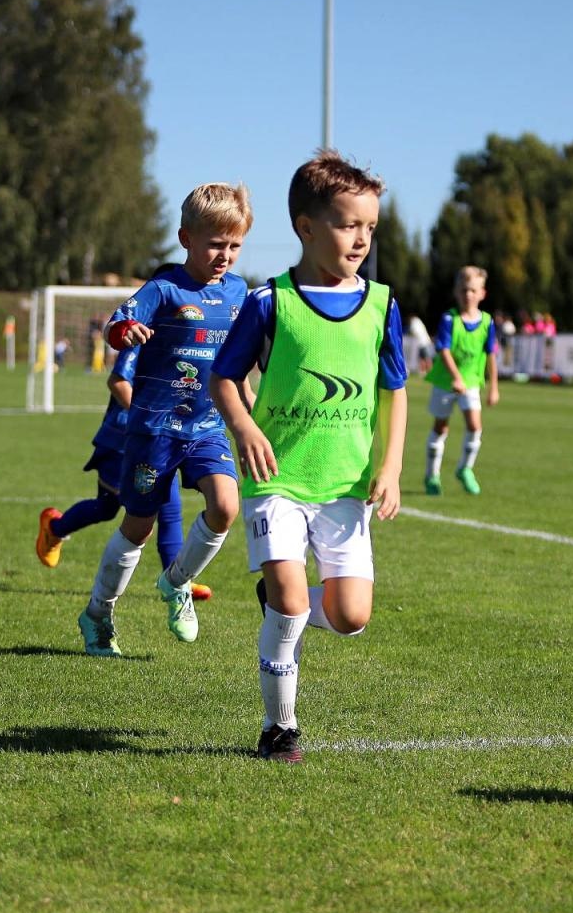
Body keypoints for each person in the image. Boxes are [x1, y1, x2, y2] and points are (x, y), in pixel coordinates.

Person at [209, 150, 408, 763]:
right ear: (307, 226)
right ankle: (280, 729)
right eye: (350, 225)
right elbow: (223, 376)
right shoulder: (272, 302)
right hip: (278, 480)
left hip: (344, 485)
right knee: (295, 604)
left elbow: (395, 389)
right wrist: (242, 425)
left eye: (370, 227)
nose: (362, 239)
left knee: (350, 616)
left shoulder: (382, 305)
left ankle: (277, 598)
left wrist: (392, 465)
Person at [76, 182, 252, 658]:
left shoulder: (239, 292)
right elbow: (117, 325)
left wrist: (249, 413)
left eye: (235, 245)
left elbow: (238, 361)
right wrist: (124, 330)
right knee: (138, 526)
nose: (226, 255)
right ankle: (97, 614)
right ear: (186, 238)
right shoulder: (163, 289)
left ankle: (177, 583)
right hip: (154, 430)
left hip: (207, 426)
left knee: (225, 506)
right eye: (216, 243)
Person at [36, 341, 211, 602]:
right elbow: (118, 382)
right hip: (125, 440)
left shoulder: (182, 336)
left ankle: (176, 581)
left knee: (169, 509)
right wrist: (148, 418)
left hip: (160, 439)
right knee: (109, 508)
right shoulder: (144, 333)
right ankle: (54, 527)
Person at [424, 265, 499, 495]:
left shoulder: (487, 322)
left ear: (482, 293)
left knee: (475, 426)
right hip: (447, 383)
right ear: (457, 292)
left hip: (471, 383)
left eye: (473, 290)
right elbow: (443, 350)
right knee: (441, 427)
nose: (469, 295)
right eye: (464, 290)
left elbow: (490, 355)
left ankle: (465, 469)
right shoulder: (449, 319)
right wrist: (456, 377)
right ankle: (432, 476)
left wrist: (494, 387)